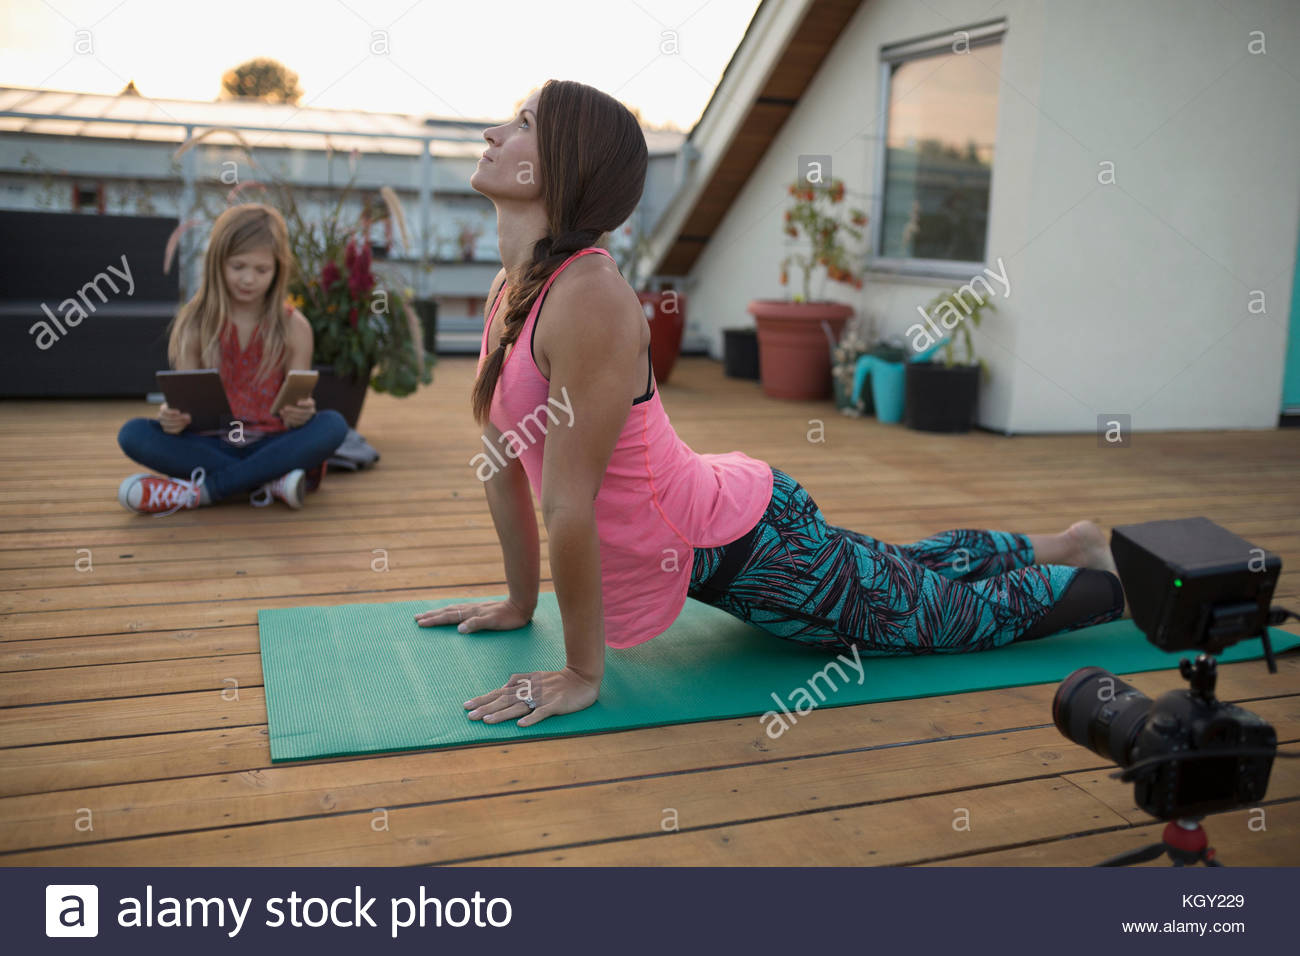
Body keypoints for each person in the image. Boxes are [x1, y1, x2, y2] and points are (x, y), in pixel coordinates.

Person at [414, 80, 1127, 728]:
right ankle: (1069, 542)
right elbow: (501, 457)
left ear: (566, 162)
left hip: (753, 548)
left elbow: (568, 501)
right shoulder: (513, 292)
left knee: (949, 616)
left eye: (522, 124)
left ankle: (1114, 586)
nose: (493, 135)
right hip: (730, 515)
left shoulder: (590, 295)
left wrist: (580, 671)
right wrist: (518, 602)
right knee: (905, 567)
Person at [117, 203, 348, 515]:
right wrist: (172, 417)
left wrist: (301, 415)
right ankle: (268, 482)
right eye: (237, 267)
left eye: (261, 270)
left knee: (332, 426)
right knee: (133, 434)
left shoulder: (296, 327)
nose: (248, 279)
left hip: (272, 442)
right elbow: (187, 408)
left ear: (278, 270)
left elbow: (298, 405)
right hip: (213, 444)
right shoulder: (195, 323)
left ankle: (203, 491)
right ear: (217, 264)